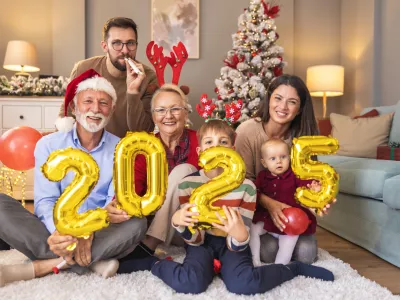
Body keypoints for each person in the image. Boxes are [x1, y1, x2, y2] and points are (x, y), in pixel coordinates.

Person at [117, 119, 334, 295]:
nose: (217, 149)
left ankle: (291, 269)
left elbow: (244, 232)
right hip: (201, 243)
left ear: (232, 149)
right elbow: (195, 238)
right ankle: (153, 264)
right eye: (210, 143)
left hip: (232, 244)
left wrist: (239, 237)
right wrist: (180, 224)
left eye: (223, 143)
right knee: (191, 283)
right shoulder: (188, 185)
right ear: (201, 151)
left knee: (245, 285)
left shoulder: (246, 188)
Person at [0, 69, 147, 287]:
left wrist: (86, 233)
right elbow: (45, 202)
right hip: (55, 230)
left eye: (104, 103)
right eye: (88, 101)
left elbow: (111, 203)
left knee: (138, 223)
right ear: (74, 107)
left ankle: (48, 264)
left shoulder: (121, 149)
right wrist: (62, 235)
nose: (95, 109)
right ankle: (86, 261)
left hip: (97, 231)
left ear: (112, 109)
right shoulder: (48, 145)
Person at [235, 74, 331, 264]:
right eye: (278, 98)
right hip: (259, 214)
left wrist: (317, 196)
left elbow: (308, 180)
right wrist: (271, 204)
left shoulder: (303, 138)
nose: (283, 107)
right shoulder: (247, 131)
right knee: (268, 253)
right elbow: (241, 183)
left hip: (293, 214)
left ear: (300, 109)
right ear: (269, 99)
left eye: (292, 102)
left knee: (306, 255)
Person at [116, 84, 199, 263]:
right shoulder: (144, 148)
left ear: (186, 113)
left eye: (175, 109)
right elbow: (133, 190)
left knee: (183, 170)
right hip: (152, 224)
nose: (168, 116)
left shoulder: (201, 141)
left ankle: (150, 244)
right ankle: (150, 239)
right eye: (161, 110)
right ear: (153, 116)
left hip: (193, 225)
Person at [56, 17, 158, 137]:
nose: (125, 50)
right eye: (117, 43)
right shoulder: (83, 68)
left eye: (130, 43)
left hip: (129, 150)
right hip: (88, 150)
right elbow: (66, 116)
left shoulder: (148, 77)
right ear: (105, 46)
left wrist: (133, 92)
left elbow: (143, 132)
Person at [250, 138, 321, 266]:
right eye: (273, 159)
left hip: (289, 221)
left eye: (283, 157)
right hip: (268, 218)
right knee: (253, 229)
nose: (279, 161)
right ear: (264, 163)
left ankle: (280, 266)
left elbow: (305, 183)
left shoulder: (294, 175)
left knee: (289, 241)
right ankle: (255, 260)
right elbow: (254, 191)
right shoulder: (262, 176)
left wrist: (314, 186)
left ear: (289, 158)